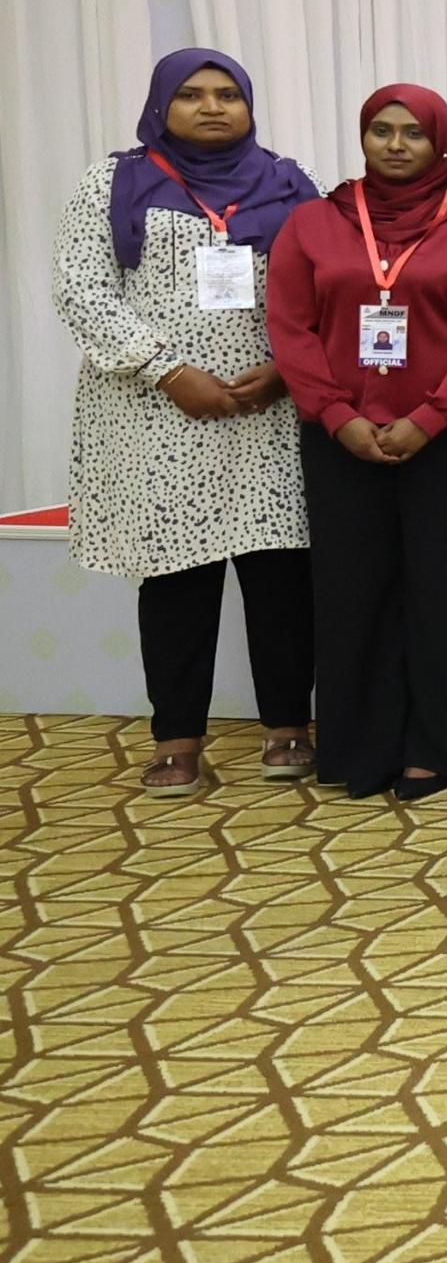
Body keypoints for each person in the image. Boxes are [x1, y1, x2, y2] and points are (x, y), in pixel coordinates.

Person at [59, 49, 320, 795]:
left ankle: (288, 727)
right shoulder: (114, 181)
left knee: (279, 573)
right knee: (177, 575)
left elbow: (327, 286)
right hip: (155, 412)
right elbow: (81, 288)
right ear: (160, 105)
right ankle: (177, 740)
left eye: (228, 94)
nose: (212, 107)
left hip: (267, 407)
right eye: (193, 95)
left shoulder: (293, 184)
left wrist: (285, 368)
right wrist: (166, 370)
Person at [264, 86, 447, 801]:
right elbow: (290, 325)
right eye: (381, 131)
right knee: (352, 591)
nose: (396, 145)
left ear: (442, 145)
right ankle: (362, 746)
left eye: (413, 134)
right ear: (362, 139)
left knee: (444, 590)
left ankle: (438, 748)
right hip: (342, 438)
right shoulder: (313, 222)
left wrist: (428, 418)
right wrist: (336, 414)